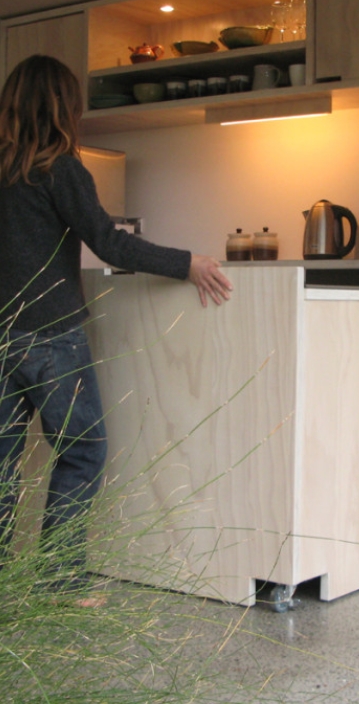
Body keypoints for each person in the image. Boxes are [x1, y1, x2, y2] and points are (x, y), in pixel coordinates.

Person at [0, 54, 233, 604]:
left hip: (3, 332)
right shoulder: (60, 169)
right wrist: (187, 263)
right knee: (83, 451)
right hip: (50, 334)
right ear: (65, 107)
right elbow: (109, 243)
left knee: (2, 464)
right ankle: (59, 581)